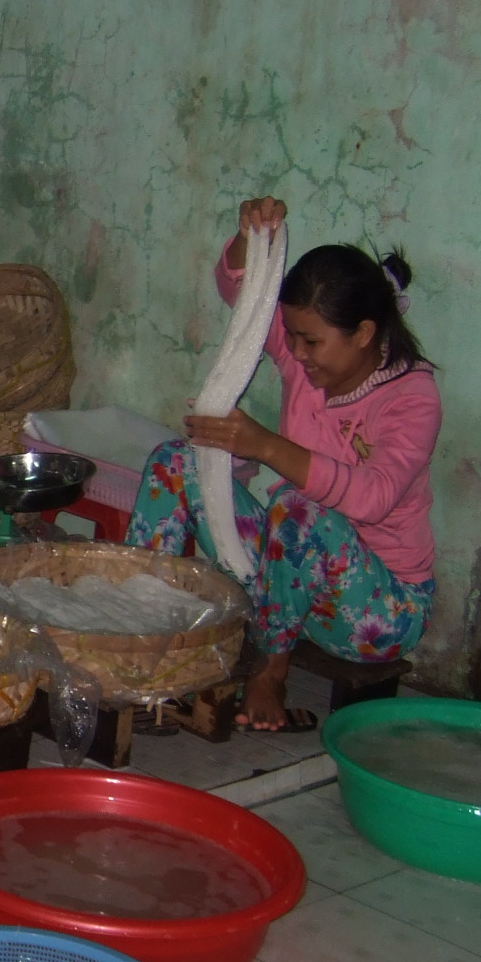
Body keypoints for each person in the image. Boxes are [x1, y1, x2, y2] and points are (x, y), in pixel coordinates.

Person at [128, 197, 440, 731]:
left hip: (377, 611)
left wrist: (266, 446)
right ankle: (141, 631)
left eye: (310, 341)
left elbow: (372, 497)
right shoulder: (306, 359)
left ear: (364, 333)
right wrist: (251, 237)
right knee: (175, 461)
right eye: (291, 336)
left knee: (299, 511)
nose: (294, 352)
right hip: (286, 577)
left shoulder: (411, 397)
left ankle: (271, 671)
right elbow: (242, 296)